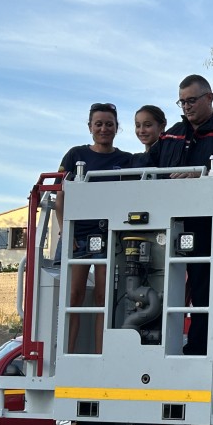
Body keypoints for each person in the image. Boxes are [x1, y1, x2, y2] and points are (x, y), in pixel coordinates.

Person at [145, 75, 213, 355]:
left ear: (209, 98)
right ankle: (154, 347)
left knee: (203, 288)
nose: (186, 106)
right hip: (167, 225)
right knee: (159, 285)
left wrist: (199, 176)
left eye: (192, 100)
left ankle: (198, 351)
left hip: (208, 225)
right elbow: (147, 166)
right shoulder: (170, 134)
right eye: (182, 102)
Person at [55, 103, 132, 353]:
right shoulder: (75, 155)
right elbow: (60, 197)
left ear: (117, 128)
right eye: (98, 124)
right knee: (73, 297)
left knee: (103, 299)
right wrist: (65, 232)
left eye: (109, 124)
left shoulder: (126, 160)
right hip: (77, 236)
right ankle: (67, 355)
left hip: (108, 235)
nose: (104, 129)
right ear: (90, 127)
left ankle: (100, 356)